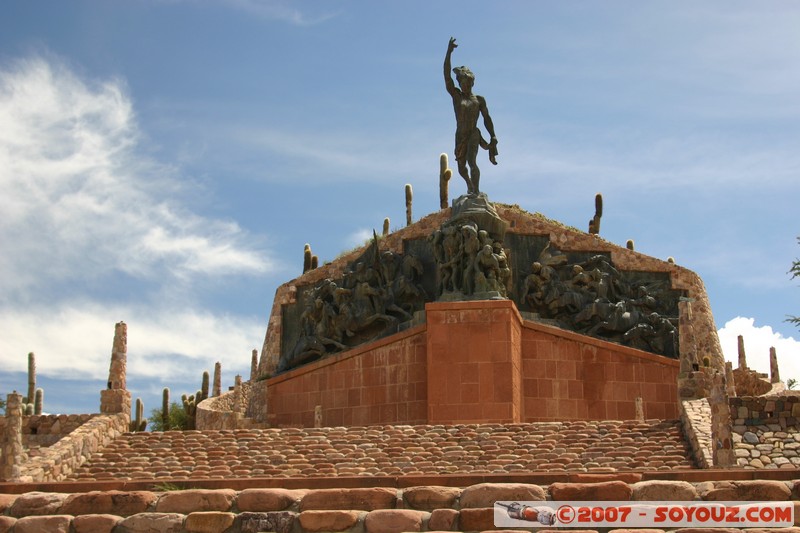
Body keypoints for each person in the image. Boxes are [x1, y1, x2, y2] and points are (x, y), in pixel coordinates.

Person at [444, 37, 498, 195]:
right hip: (461, 134)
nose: (465, 84)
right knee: (461, 168)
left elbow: (486, 118)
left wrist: (493, 136)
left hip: (474, 133)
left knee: (471, 161)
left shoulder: (479, 100)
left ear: (472, 83)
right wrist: (448, 53)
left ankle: (476, 191)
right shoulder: (457, 97)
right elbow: (447, 76)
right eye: (462, 82)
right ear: (459, 83)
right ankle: (469, 185)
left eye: (467, 82)